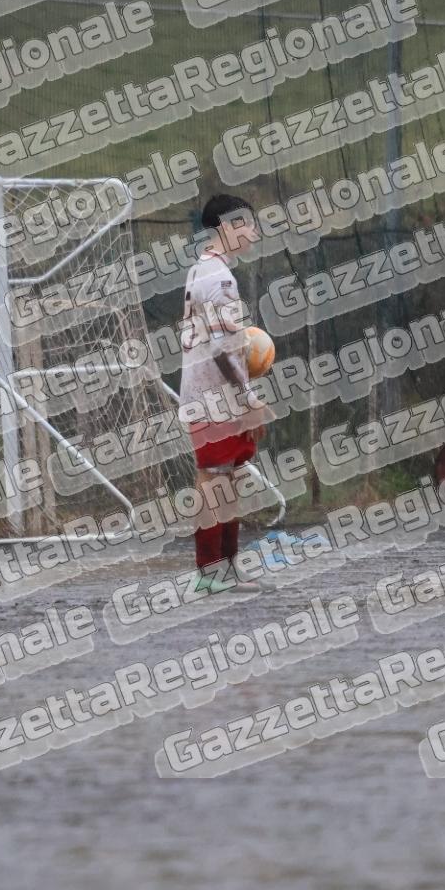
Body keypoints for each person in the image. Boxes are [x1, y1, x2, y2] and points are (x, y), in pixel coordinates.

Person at [177, 193, 270, 594]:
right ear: (226, 227)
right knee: (215, 480)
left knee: (226, 478)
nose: (253, 232)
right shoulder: (220, 279)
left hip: (207, 393)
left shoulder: (201, 269)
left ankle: (224, 568)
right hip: (215, 397)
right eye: (247, 223)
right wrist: (249, 399)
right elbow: (222, 347)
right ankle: (209, 571)